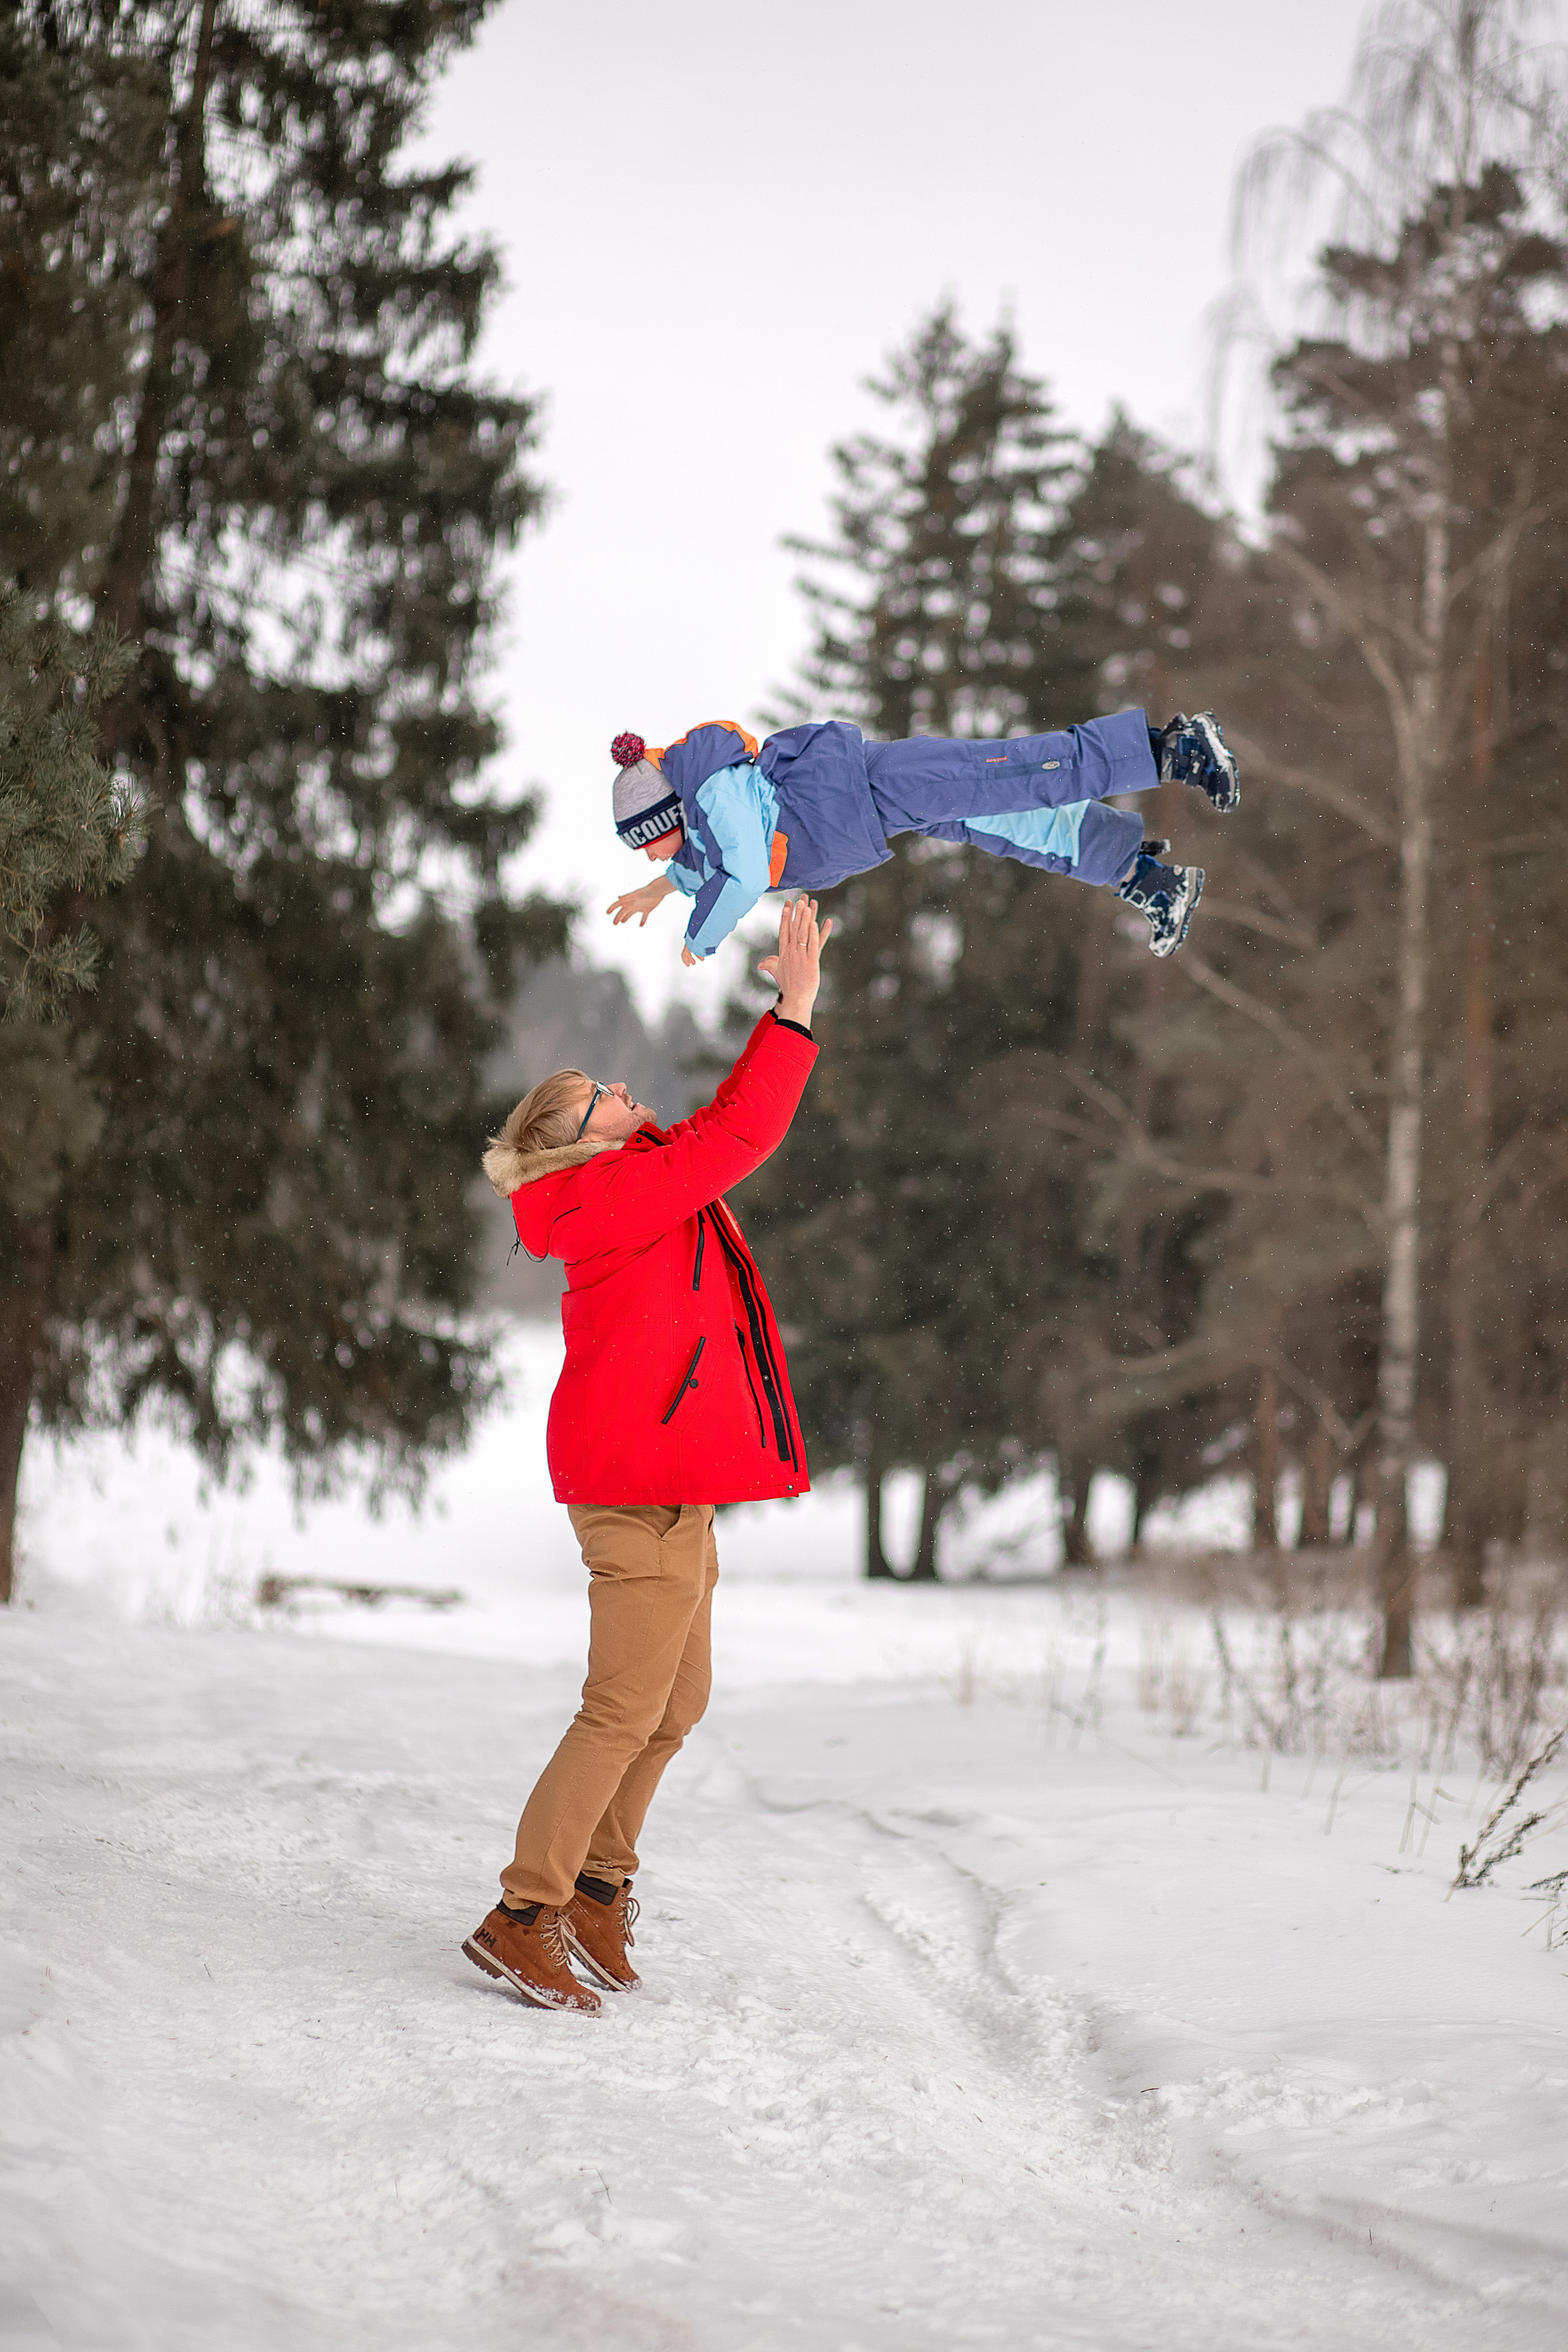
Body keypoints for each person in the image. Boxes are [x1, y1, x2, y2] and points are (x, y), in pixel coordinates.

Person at [462, 896, 831, 2015]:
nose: (623, 1094)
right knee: (620, 1709)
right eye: (597, 1098)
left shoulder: (627, 1183)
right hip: (637, 1487)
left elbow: (708, 1145)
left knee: (677, 1704)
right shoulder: (600, 1199)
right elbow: (739, 1135)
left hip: (674, 1483)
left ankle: (596, 1885)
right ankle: (522, 1914)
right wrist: (795, 1011)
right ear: (571, 1139)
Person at [606, 707, 1239, 965]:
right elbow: (705, 864)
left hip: (872, 786)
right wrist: (659, 888)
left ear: (665, 816)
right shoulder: (697, 828)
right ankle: (1141, 875)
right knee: (1003, 822)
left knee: (1016, 777)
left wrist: (701, 938)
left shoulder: (715, 793)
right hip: (876, 811)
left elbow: (741, 873)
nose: (649, 852)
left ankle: (1171, 750)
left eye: (645, 841)